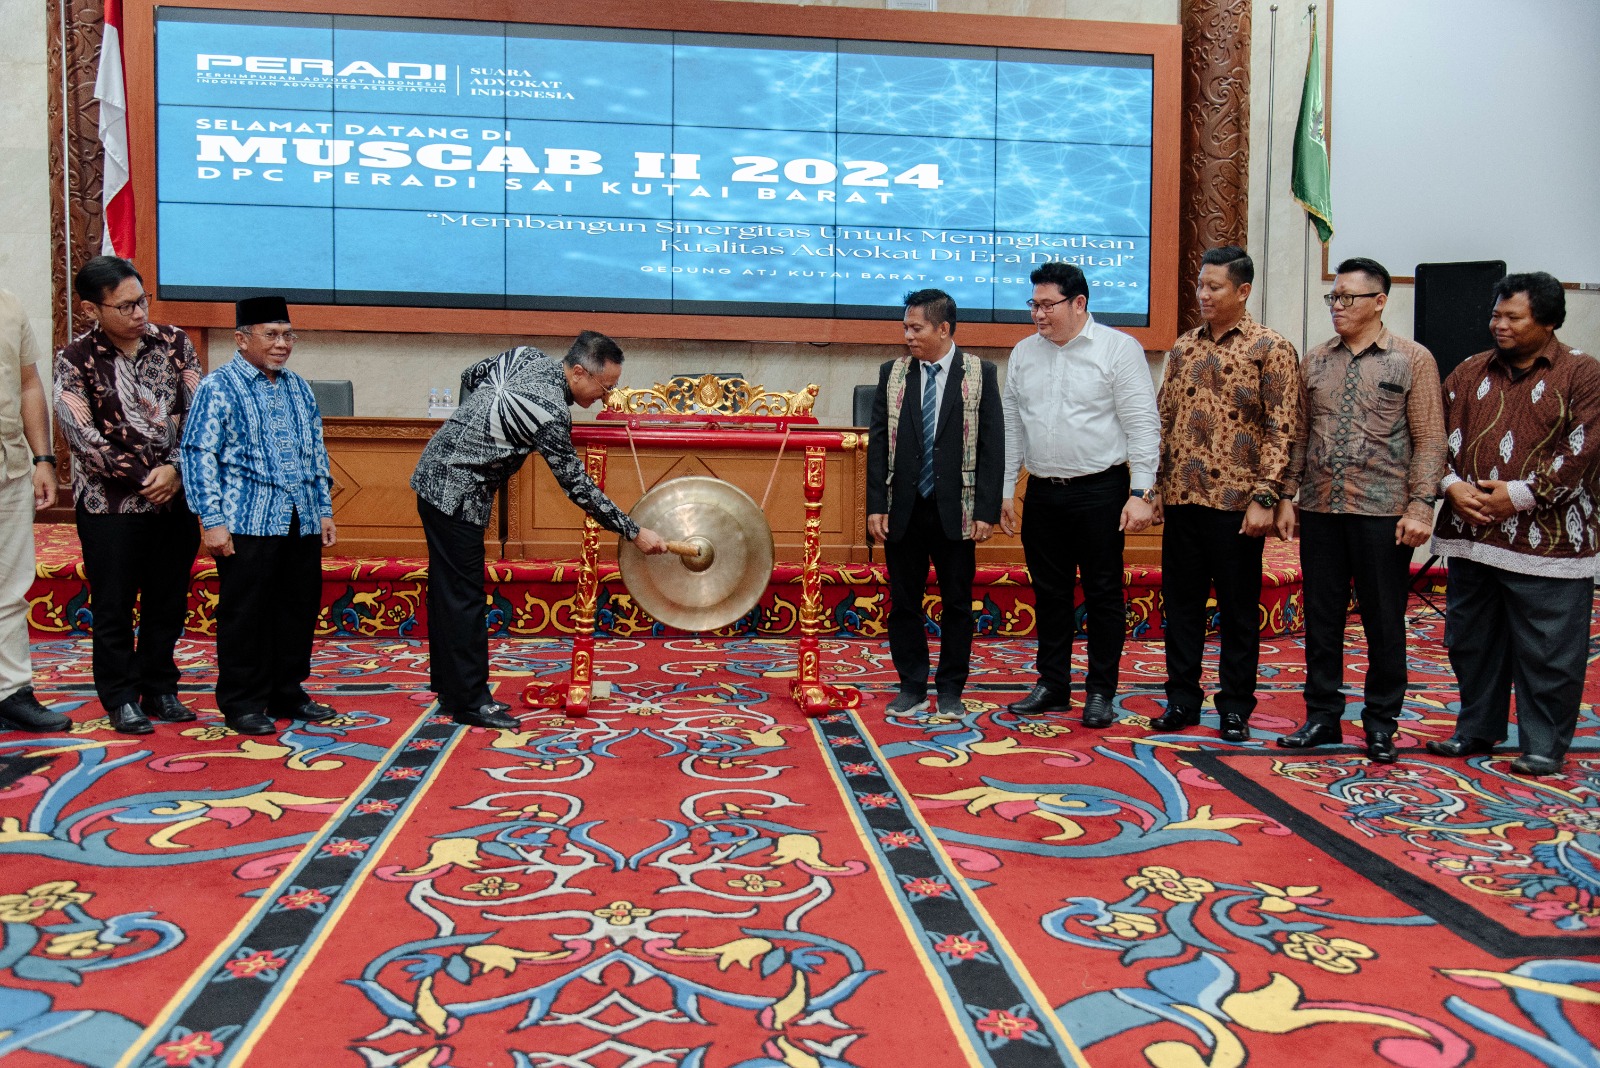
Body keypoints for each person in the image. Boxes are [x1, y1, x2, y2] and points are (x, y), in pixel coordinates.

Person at [411, 331, 667, 730]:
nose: (606, 398)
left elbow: (470, 374)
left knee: (447, 592)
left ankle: (450, 690)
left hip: (432, 478)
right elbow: (578, 487)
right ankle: (471, 702)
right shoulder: (550, 412)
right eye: (605, 387)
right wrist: (633, 531)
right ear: (579, 372)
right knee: (464, 597)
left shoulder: (524, 356)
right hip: (456, 495)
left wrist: (477, 429)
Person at [1426, 272, 1599, 776]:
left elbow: (1583, 451)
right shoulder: (1468, 371)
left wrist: (1518, 497)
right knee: (1471, 642)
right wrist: (1450, 486)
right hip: (1473, 535)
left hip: (1549, 544)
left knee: (1549, 653)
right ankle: (1477, 728)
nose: (1498, 325)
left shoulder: (1583, 373)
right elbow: (1431, 437)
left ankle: (1544, 746)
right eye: (1495, 315)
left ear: (1548, 322)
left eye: (1512, 317)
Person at [1274, 257, 1445, 763]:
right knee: (1321, 619)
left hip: (1384, 512)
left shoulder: (1412, 359)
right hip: (1321, 508)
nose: (1337, 306)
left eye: (1348, 297)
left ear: (1379, 301)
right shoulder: (1315, 360)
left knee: (1383, 621)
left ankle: (1381, 722)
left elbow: (1430, 440)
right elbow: (1300, 436)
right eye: (1333, 297)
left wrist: (1421, 506)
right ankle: (1322, 715)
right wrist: (1286, 495)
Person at [1150, 246, 1301, 741]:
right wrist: (1154, 487)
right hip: (1183, 500)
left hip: (1237, 507)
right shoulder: (1184, 347)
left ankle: (1235, 706)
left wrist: (1266, 497)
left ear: (1243, 290)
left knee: (1238, 612)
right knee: (1182, 608)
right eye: (1201, 285)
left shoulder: (1270, 348)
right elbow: (1164, 419)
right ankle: (1181, 700)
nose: (1203, 295)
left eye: (1214, 287)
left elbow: (1282, 428)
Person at [999, 263, 1159, 727]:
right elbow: (1012, 426)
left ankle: (1100, 691)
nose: (1038, 314)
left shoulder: (1118, 349)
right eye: (1033, 305)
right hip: (1043, 492)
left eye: (1047, 305)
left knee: (1103, 594)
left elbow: (1142, 424)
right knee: (1049, 594)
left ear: (1079, 303)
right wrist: (1006, 489)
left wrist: (1141, 491)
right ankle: (1052, 684)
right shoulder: (1024, 352)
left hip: (1100, 491)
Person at [55, 256, 203, 735]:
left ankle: (160, 687)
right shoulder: (75, 359)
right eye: (125, 306)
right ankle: (120, 697)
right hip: (110, 504)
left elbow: (198, 414)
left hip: (174, 496)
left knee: (168, 600)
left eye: (142, 301)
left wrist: (175, 470)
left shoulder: (175, 343)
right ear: (91, 309)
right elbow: (82, 436)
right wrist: (145, 479)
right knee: (114, 605)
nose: (139, 313)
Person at [180, 297, 338, 736]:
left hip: (301, 517)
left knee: (296, 610)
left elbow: (316, 450)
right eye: (271, 334)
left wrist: (324, 509)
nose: (282, 344)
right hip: (246, 519)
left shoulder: (298, 387)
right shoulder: (218, 387)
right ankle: (242, 702)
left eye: (288, 335)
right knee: (246, 614)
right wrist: (211, 519)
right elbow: (197, 454)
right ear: (241, 338)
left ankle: (286, 691)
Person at [867, 289, 1003, 717]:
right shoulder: (892, 373)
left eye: (916, 328)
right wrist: (876, 504)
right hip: (903, 508)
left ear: (943, 329)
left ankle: (950, 689)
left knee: (957, 604)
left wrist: (986, 510)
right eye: (905, 327)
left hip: (956, 508)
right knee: (904, 602)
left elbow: (992, 445)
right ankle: (911, 685)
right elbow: (877, 444)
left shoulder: (981, 373)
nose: (908, 336)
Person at [0, 288, 69, 734]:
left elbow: (28, 384)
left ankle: (11, 692)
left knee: (10, 585)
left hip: (8, 467)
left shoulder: (8, 304)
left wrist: (43, 458)